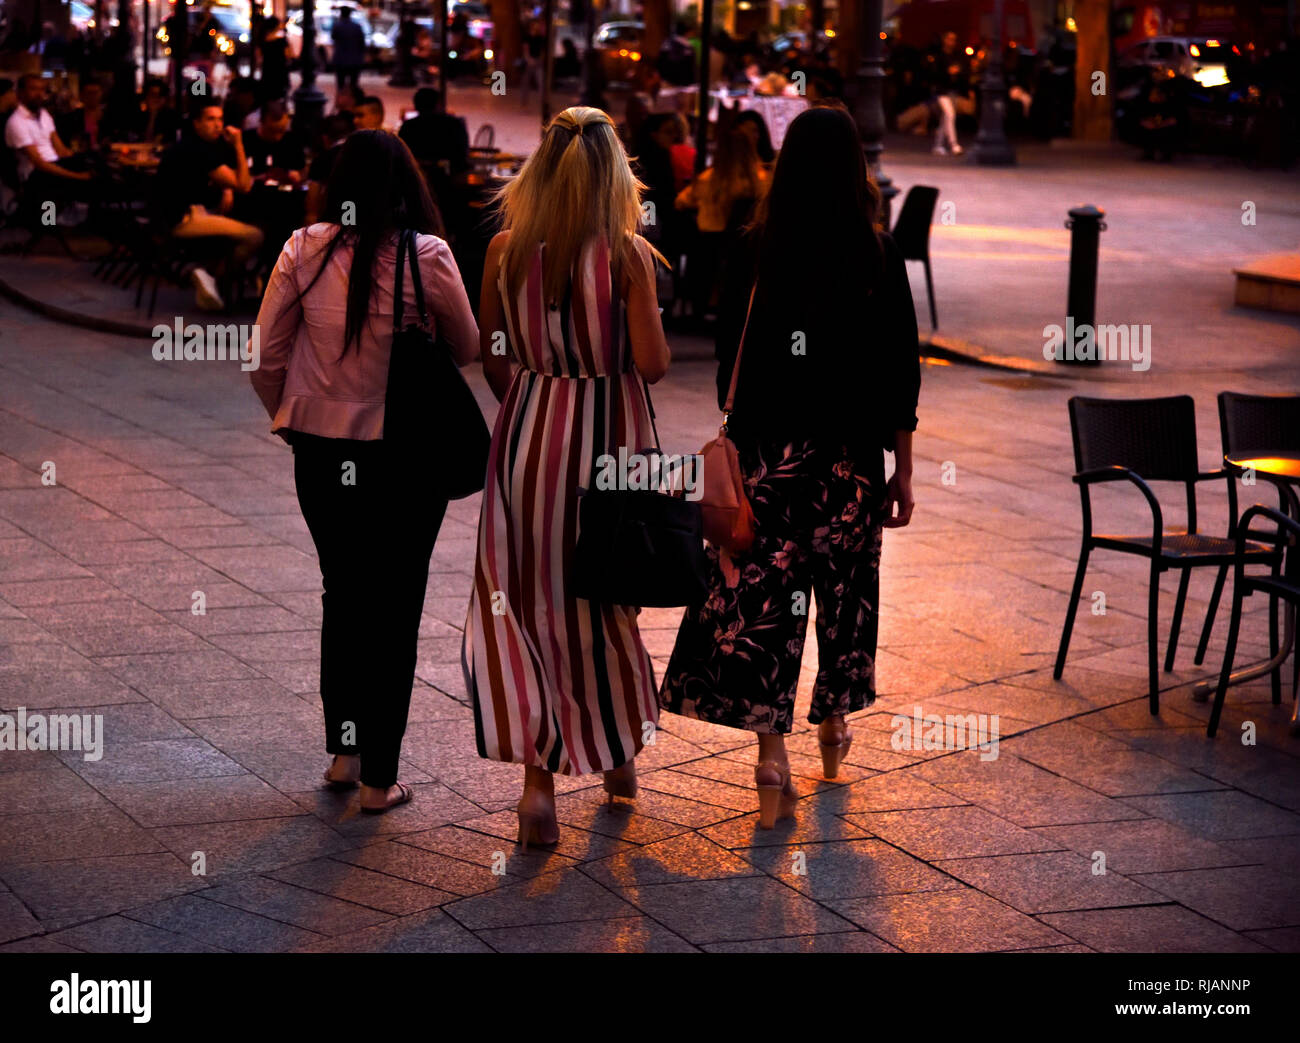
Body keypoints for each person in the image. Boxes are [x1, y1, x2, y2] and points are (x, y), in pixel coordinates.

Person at [659, 106, 920, 829]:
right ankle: (834, 727)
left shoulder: (755, 248)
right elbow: (901, 369)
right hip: (850, 464)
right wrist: (906, 469)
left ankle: (772, 756)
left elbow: (723, 364)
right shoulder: (878, 253)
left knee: (764, 603)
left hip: (768, 458)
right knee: (844, 595)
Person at [250, 130, 478, 814]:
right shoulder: (425, 254)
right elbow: (467, 345)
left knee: (342, 591)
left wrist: (292, 413)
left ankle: (344, 754)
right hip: (405, 453)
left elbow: (264, 355)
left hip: (322, 448)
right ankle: (381, 777)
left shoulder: (302, 248)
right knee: (396, 603)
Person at [462, 106, 671, 850]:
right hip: (611, 441)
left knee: (530, 601)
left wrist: (531, 396)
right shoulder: (628, 256)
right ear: (616, 175)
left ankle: (537, 790)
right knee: (605, 599)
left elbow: (489, 352)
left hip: (526, 435)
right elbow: (651, 364)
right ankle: (614, 755)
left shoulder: (504, 252)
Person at [154, 99, 262, 310]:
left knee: (236, 222)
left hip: (175, 215)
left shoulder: (196, 145)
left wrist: (225, 188)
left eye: (220, 119)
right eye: (210, 119)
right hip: (182, 219)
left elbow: (225, 178)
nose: (218, 125)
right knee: (255, 235)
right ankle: (212, 276)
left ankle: (207, 275)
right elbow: (244, 185)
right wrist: (239, 144)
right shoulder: (199, 149)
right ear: (196, 123)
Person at [675, 125, 767, 321]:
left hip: (709, 244)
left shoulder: (707, 180)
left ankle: (699, 304)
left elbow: (681, 202)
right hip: (745, 247)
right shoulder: (761, 181)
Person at [4, 74, 93, 193]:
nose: (39, 94)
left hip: (54, 165)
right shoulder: (16, 122)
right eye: (33, 89)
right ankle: (49, 212)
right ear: (20, 93)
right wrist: (78, 176)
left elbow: (61, 150)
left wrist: (82, 160)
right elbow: (38, 163)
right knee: (52, 196)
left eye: (42, 89)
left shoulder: (44, 114)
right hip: (36, 176)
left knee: (97, 166)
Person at [926, 30, 971, 155]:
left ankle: (938, 145)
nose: (952, 42)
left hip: (953, 91)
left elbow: (964, 72)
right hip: (941, 92)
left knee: (945, 118)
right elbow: (934, 75)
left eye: (954, 39)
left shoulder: (957, 56)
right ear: (944, 40)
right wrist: (948, 72)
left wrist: (958, 73)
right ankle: (954, 144)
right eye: (949, 39)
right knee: (950, 114)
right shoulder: (939, 56)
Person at [242, 99, 307, 180]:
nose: (277, 137)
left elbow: (303, 172)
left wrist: (297, 176)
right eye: (272, 131)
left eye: (281, 130)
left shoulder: (292, 142)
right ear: (261, 121)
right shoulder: (246, 140)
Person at [125, 77, 181, 144]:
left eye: (160, 94)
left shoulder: (173, 117)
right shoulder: (137, 116)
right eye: (152, 94)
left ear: (165, 98)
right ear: (146, 97)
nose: (156, 98)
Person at [331, 6, 367, 93]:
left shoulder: (337, 26)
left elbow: (333, 37)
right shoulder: (356, 27)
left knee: (341, 85)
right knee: (353, 85)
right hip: (354, 60)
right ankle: (352, 103)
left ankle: (342, 101)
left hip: (341, 60)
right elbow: (362, 43)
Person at [258, 16, 291, 100]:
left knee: (268, 96)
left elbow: (259, 57)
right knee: (280, 96)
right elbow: (289, 55)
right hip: (280, 71)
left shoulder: (263, 40)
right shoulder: (281, 40)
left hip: (268, 70)